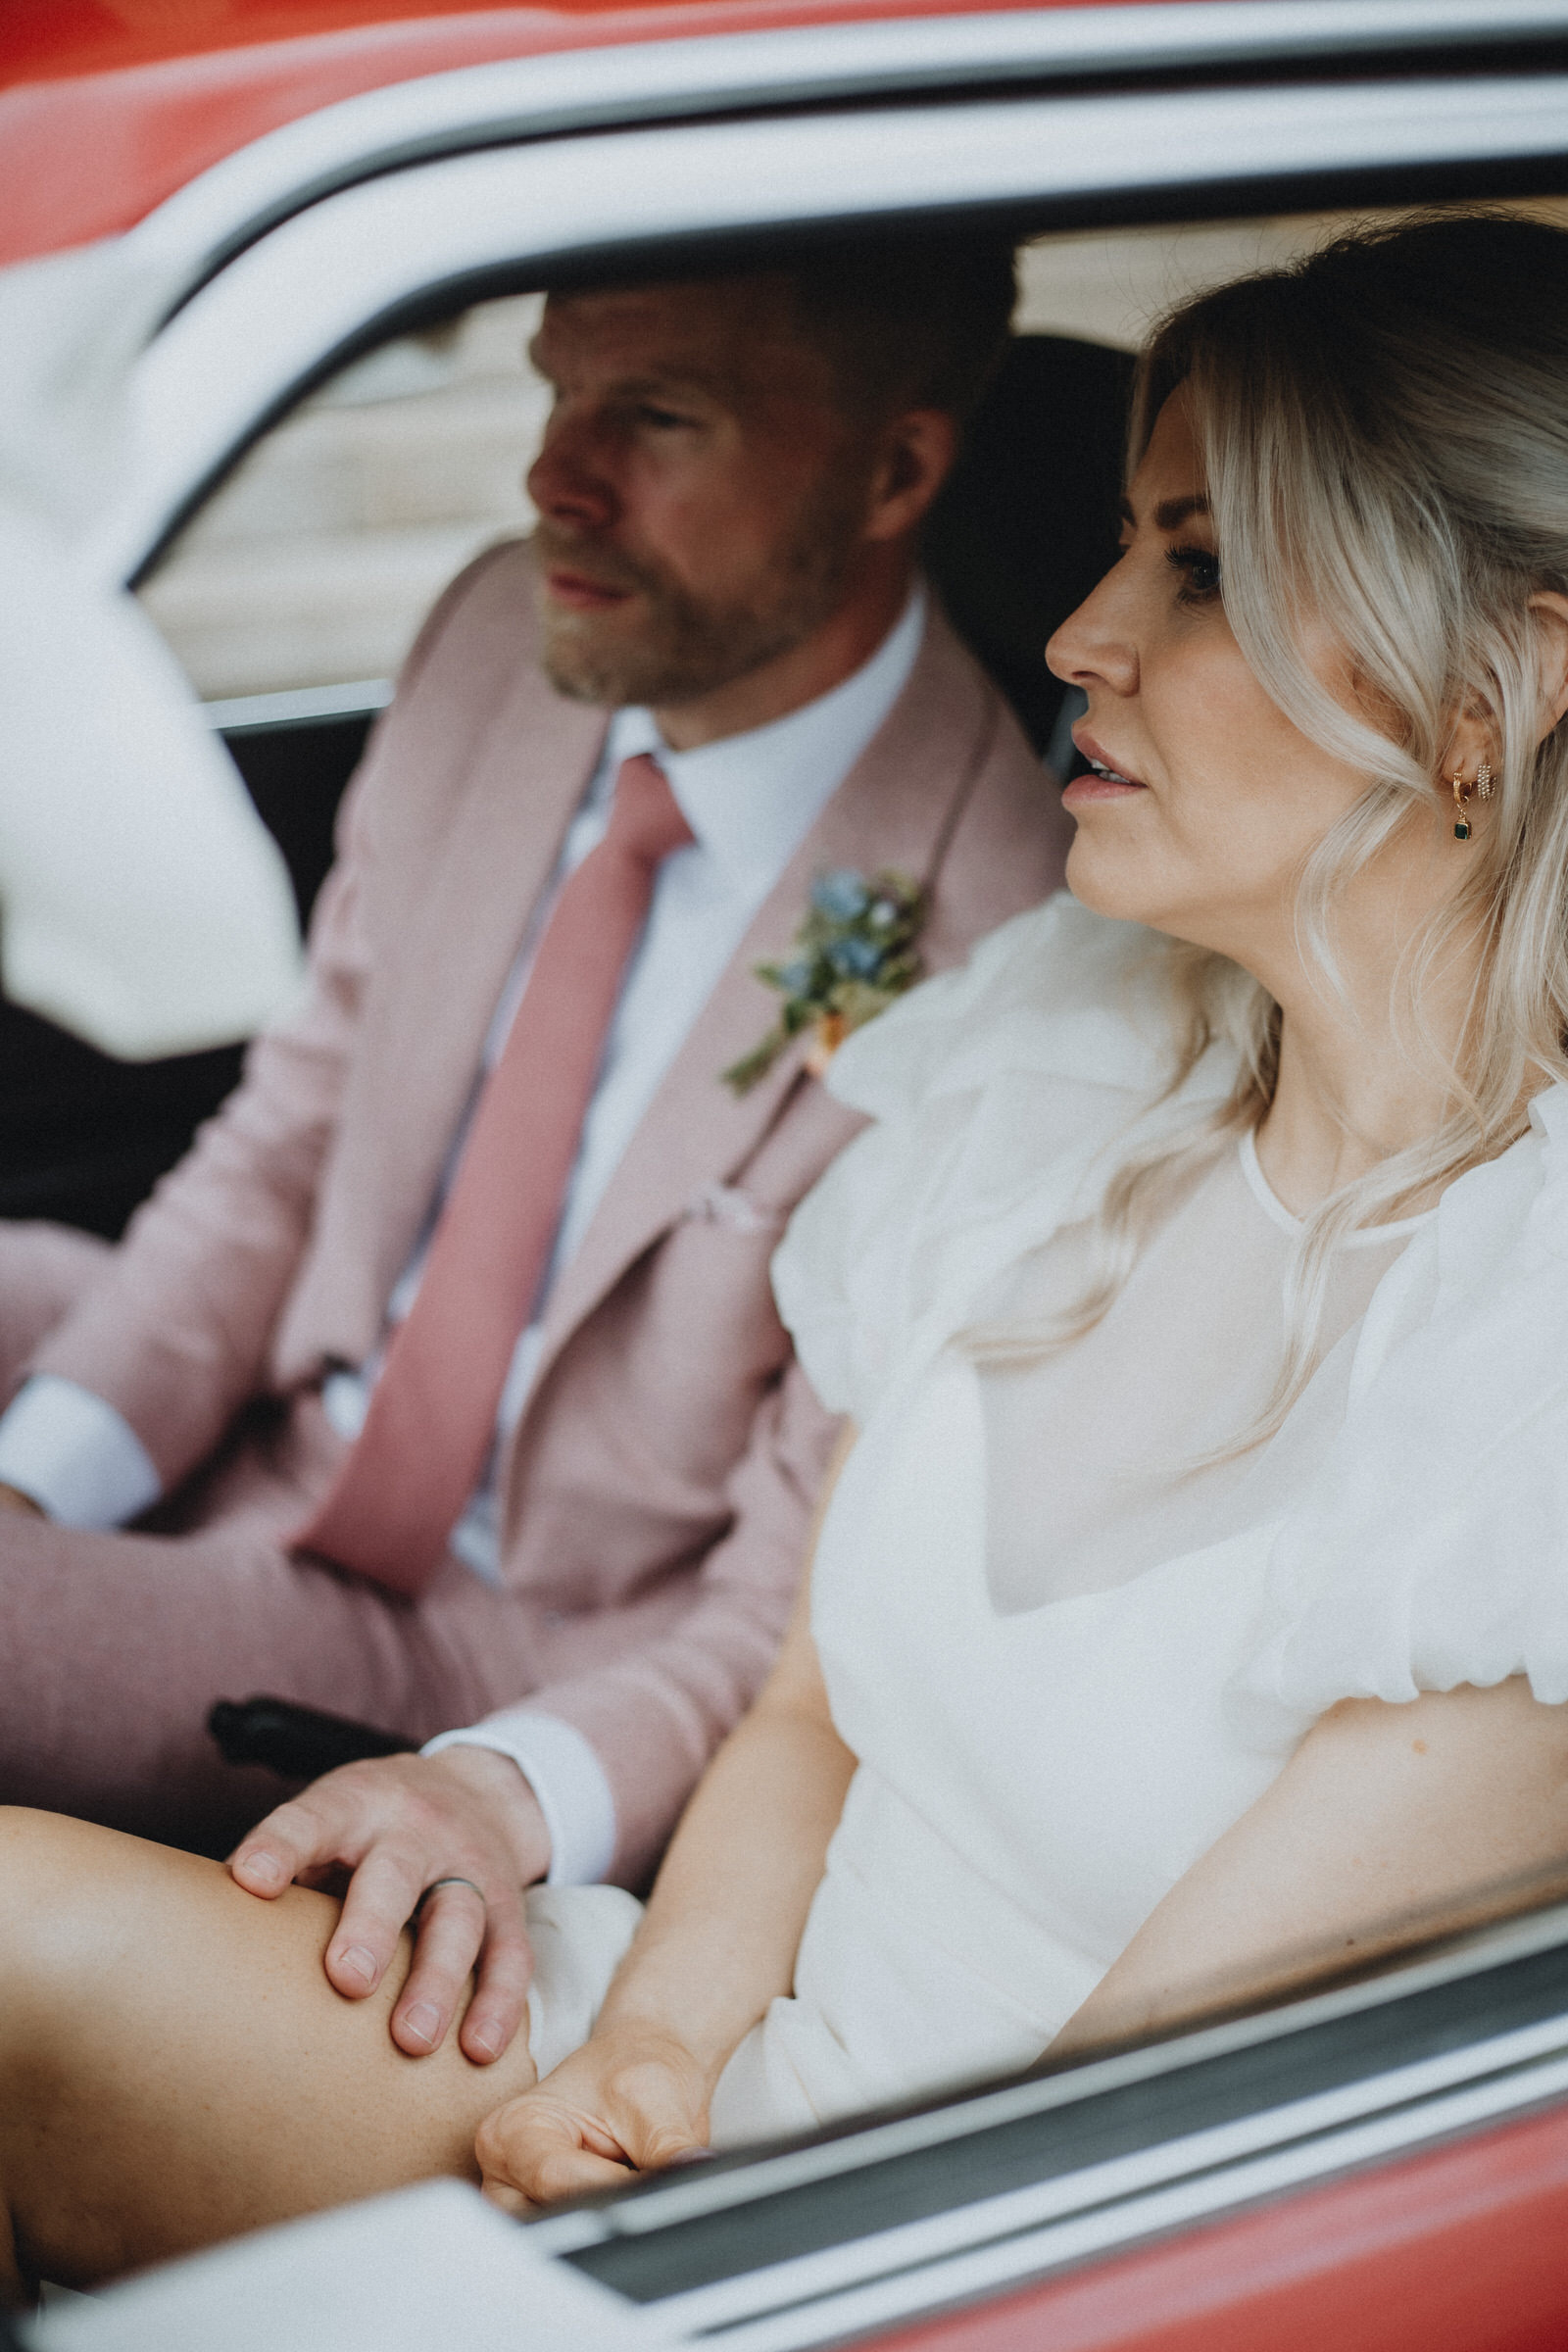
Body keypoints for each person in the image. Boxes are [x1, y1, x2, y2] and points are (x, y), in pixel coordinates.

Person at [5, 209, 1568, 2298]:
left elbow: (1095, 2195)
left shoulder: (1513, 1392)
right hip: (678, 2017)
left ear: (1498, 696)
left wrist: (683, 2201)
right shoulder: (1070, 1051)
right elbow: (811, 1706)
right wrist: (648, 2055)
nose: (1078, 636)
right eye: (1121, 541)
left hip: (905, 2238)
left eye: (1195, 569)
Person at [0, 239, 1070, 2064]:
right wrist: (46, 1485)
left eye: (655, 416)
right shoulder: (505, 632)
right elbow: (288, 1140)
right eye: (557, 387)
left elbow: (792, 1616)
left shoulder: (1004, 955)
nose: (554, 475)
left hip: (485, 1632)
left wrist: (497, 1793)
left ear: (893, 474)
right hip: (287, 1407)